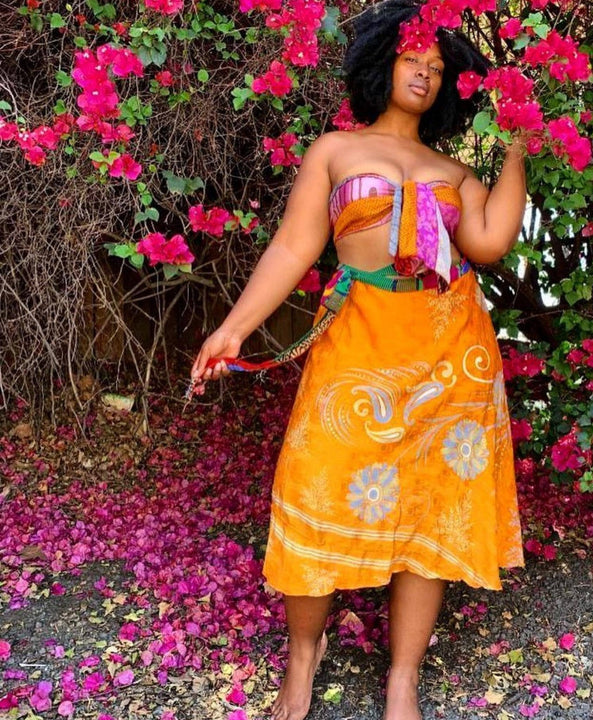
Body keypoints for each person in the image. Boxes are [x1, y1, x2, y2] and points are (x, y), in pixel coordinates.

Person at [191, 1, 526, 718]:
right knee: (316, 487)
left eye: (438, 69)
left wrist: (522, 146)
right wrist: (234, 329)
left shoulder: (455, 170)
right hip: (356, 337)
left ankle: (403, 676)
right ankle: (303, 659)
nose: (425, 74)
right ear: (383, 64)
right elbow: (293, 246)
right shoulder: (334, 152)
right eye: (413, 60)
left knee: (431, 515)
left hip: (448, 348)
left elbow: (491, 242)